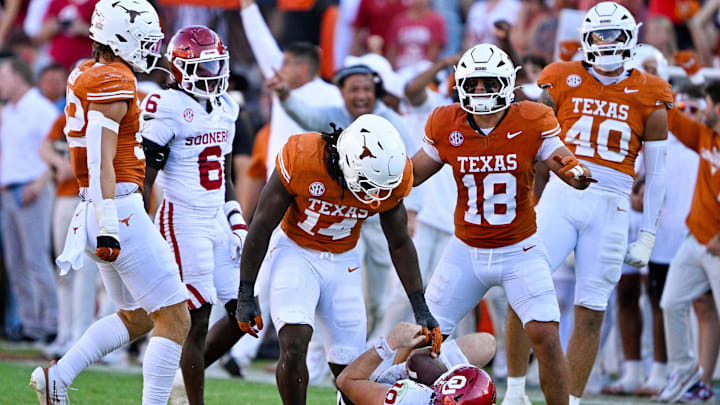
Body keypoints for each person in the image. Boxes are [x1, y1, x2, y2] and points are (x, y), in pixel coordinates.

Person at [502, 3, 673, 405]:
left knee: (591, 310)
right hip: (562, 195)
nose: (608, 44)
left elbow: (659, 173)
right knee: (520, 286)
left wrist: (648, 232)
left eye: (615, 35)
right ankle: (513, 391)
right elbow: (530, 128)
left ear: (631, 37)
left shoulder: (652, 90)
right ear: (586, 38)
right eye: (600, 35)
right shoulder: (561, 75)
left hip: (611, 202)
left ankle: (571, 401)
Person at [413, 43, 597, 405]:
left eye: (488, 82)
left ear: (506, 83)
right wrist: (379, 178)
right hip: (465, 250)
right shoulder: (445, 121)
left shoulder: (531, 118)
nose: (480, 90)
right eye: (474, 83)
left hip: (520, 249)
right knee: (424, 339)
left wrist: (575, 172)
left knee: (545, 335)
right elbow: (414, 172)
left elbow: (560, 157)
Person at [29, 0, 190, 403]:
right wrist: (108, 225)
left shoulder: (86, 70)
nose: (152, 47)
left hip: (98, 206)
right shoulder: (113, 78)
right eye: (145, 39)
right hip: (115, 209)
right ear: (121, 38)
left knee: (137, 317)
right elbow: (101, 157)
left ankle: (58, 377)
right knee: (175, 318)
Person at [235, 114, 441, 405]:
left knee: (349, 369)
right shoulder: (302, 157)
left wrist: (420, 307)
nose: (378, 195)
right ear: (349, 163)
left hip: (343, 259)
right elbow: (262, 223)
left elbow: (398, 241)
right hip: (296, 251)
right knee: (293, 344)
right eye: (371, 183)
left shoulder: (389, 178)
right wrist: (246, 291)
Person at [139, 25, 244, 405]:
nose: (214, 74)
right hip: (181, 218)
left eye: (217, 64)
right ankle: (191, 400)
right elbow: (146, 173)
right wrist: (138, 223)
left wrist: (237, 221)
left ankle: (183, 384)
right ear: (181, 69)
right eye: (205, 66)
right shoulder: (168, 105)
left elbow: (225, 175)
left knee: (245, 314)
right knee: (196, 319)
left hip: (215, 218)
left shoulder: (227, 107)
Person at [656, 80, 720, 403]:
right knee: (671, 303)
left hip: (718, 246)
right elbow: (673, 120)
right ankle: (686, 374)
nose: (703, 110)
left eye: (707, 104)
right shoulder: (707, 135)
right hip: (696, 239)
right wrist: (657, 84)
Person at [337, 322, 496, 405]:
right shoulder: (414, 397)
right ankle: (408, 359)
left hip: (379, 396)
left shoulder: (407, 398)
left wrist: (389, 343)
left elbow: (347, 381)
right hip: (416, 392)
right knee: (484, 345)